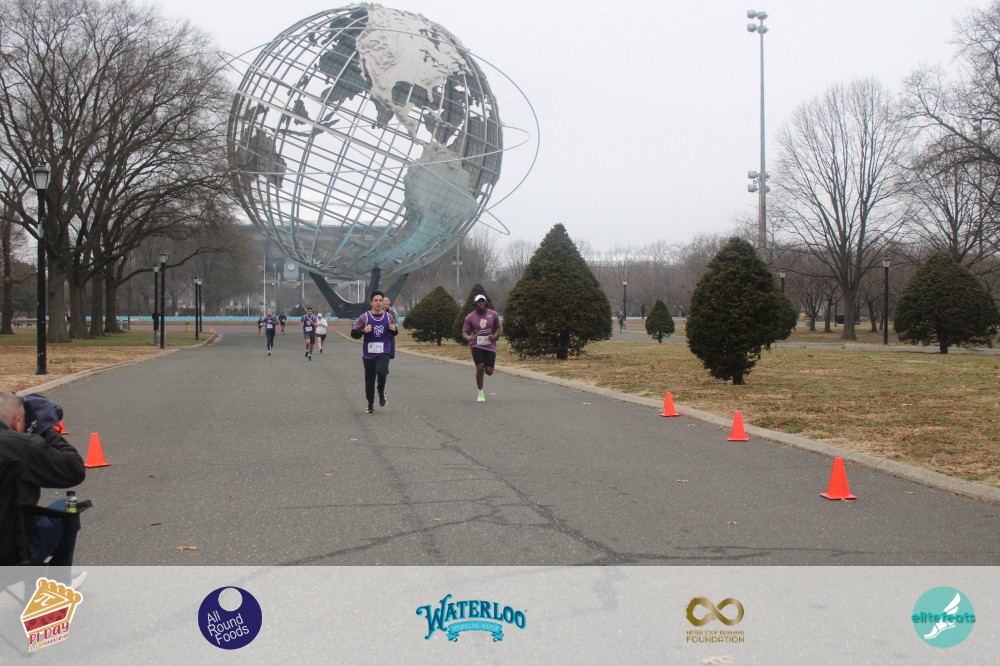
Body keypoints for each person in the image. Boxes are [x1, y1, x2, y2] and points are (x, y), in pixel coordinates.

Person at [0, 392, 85, 574]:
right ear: (16, 422)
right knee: (66, 506)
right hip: (11, 558)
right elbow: (74, 470)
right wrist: (46, 428)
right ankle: (58, 581)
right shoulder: (21, 445)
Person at [350, 291, 397, 413]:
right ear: (371, 303)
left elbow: (393, 332)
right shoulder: (364, 317)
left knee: (381, 372)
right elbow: (353, 333)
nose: (378, 303)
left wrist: (394, 329)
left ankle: (381, 392)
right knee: (369, 379)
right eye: (376, 300)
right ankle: (370, 404)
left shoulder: (388, 317)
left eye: (380, 300)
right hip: (369, 353)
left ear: (383, 302)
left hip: (384, 350)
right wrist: (363, 331)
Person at [461, 294, 502, 403]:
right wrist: (469, 337)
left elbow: (498, 327)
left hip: (490, 344)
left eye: (483, 301)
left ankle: (484, 373)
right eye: (479, 301)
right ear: (475, 303)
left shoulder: (493, 314)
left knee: (489, 371)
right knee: (480, 367)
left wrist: (495, 336)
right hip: (476, 344)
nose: (481, 303)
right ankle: (480, 393)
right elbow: (464, 332)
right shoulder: (470, 317)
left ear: (485, 302)